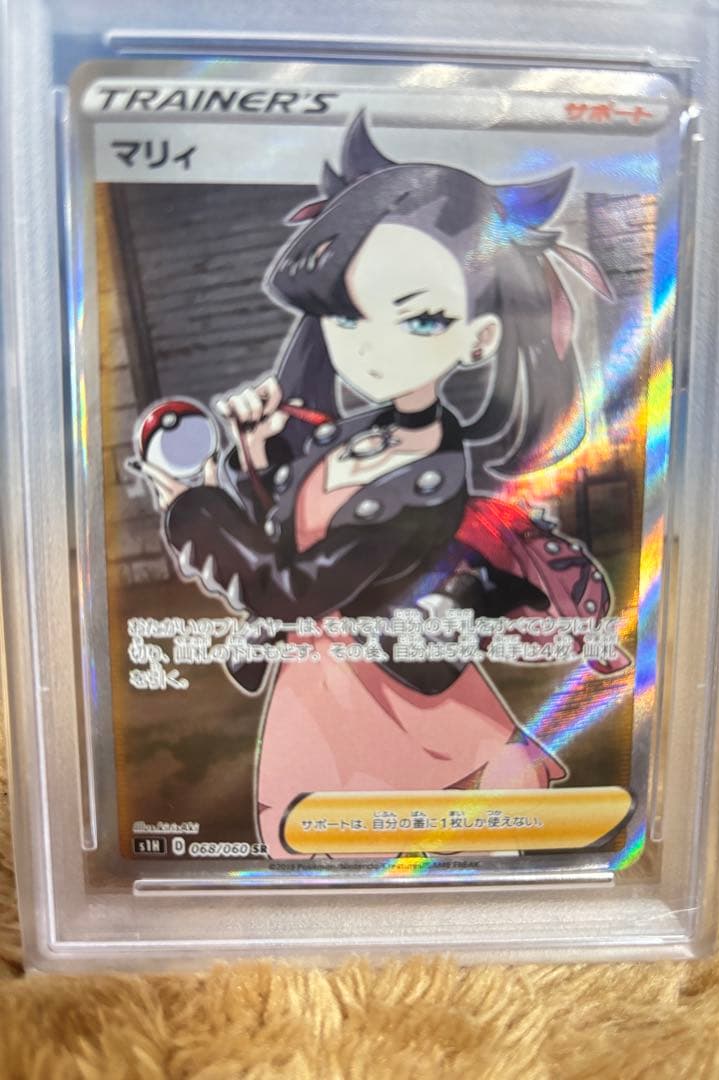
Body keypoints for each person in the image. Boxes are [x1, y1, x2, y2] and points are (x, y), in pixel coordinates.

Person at [137, 113, 621, 858]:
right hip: (317, 686)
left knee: (424, 839)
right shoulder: (356, 433)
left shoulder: (427, 485)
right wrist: (262, 460)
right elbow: (298, 538)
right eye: (347, 311)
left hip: (393, 691)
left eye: (420, 319)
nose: (371, 343)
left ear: (481, 338)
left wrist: (192, 510)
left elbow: (285, 590)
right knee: (326, 853)